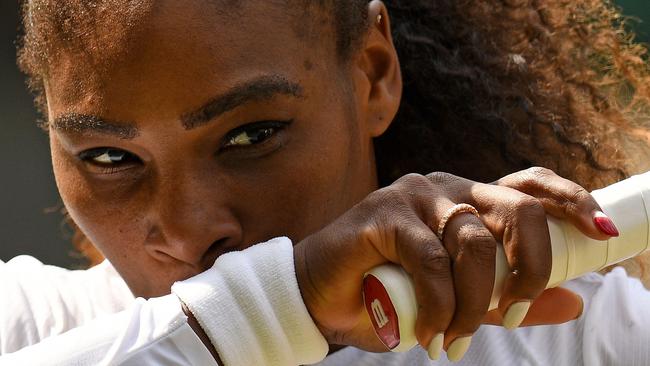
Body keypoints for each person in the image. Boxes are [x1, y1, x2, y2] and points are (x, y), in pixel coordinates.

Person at [2, 0, 650, 364]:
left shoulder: (588, 337)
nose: (187, 230)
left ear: (372, 74)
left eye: (252, 137)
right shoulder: (26, 324)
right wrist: (283, 304)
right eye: (109, 159)